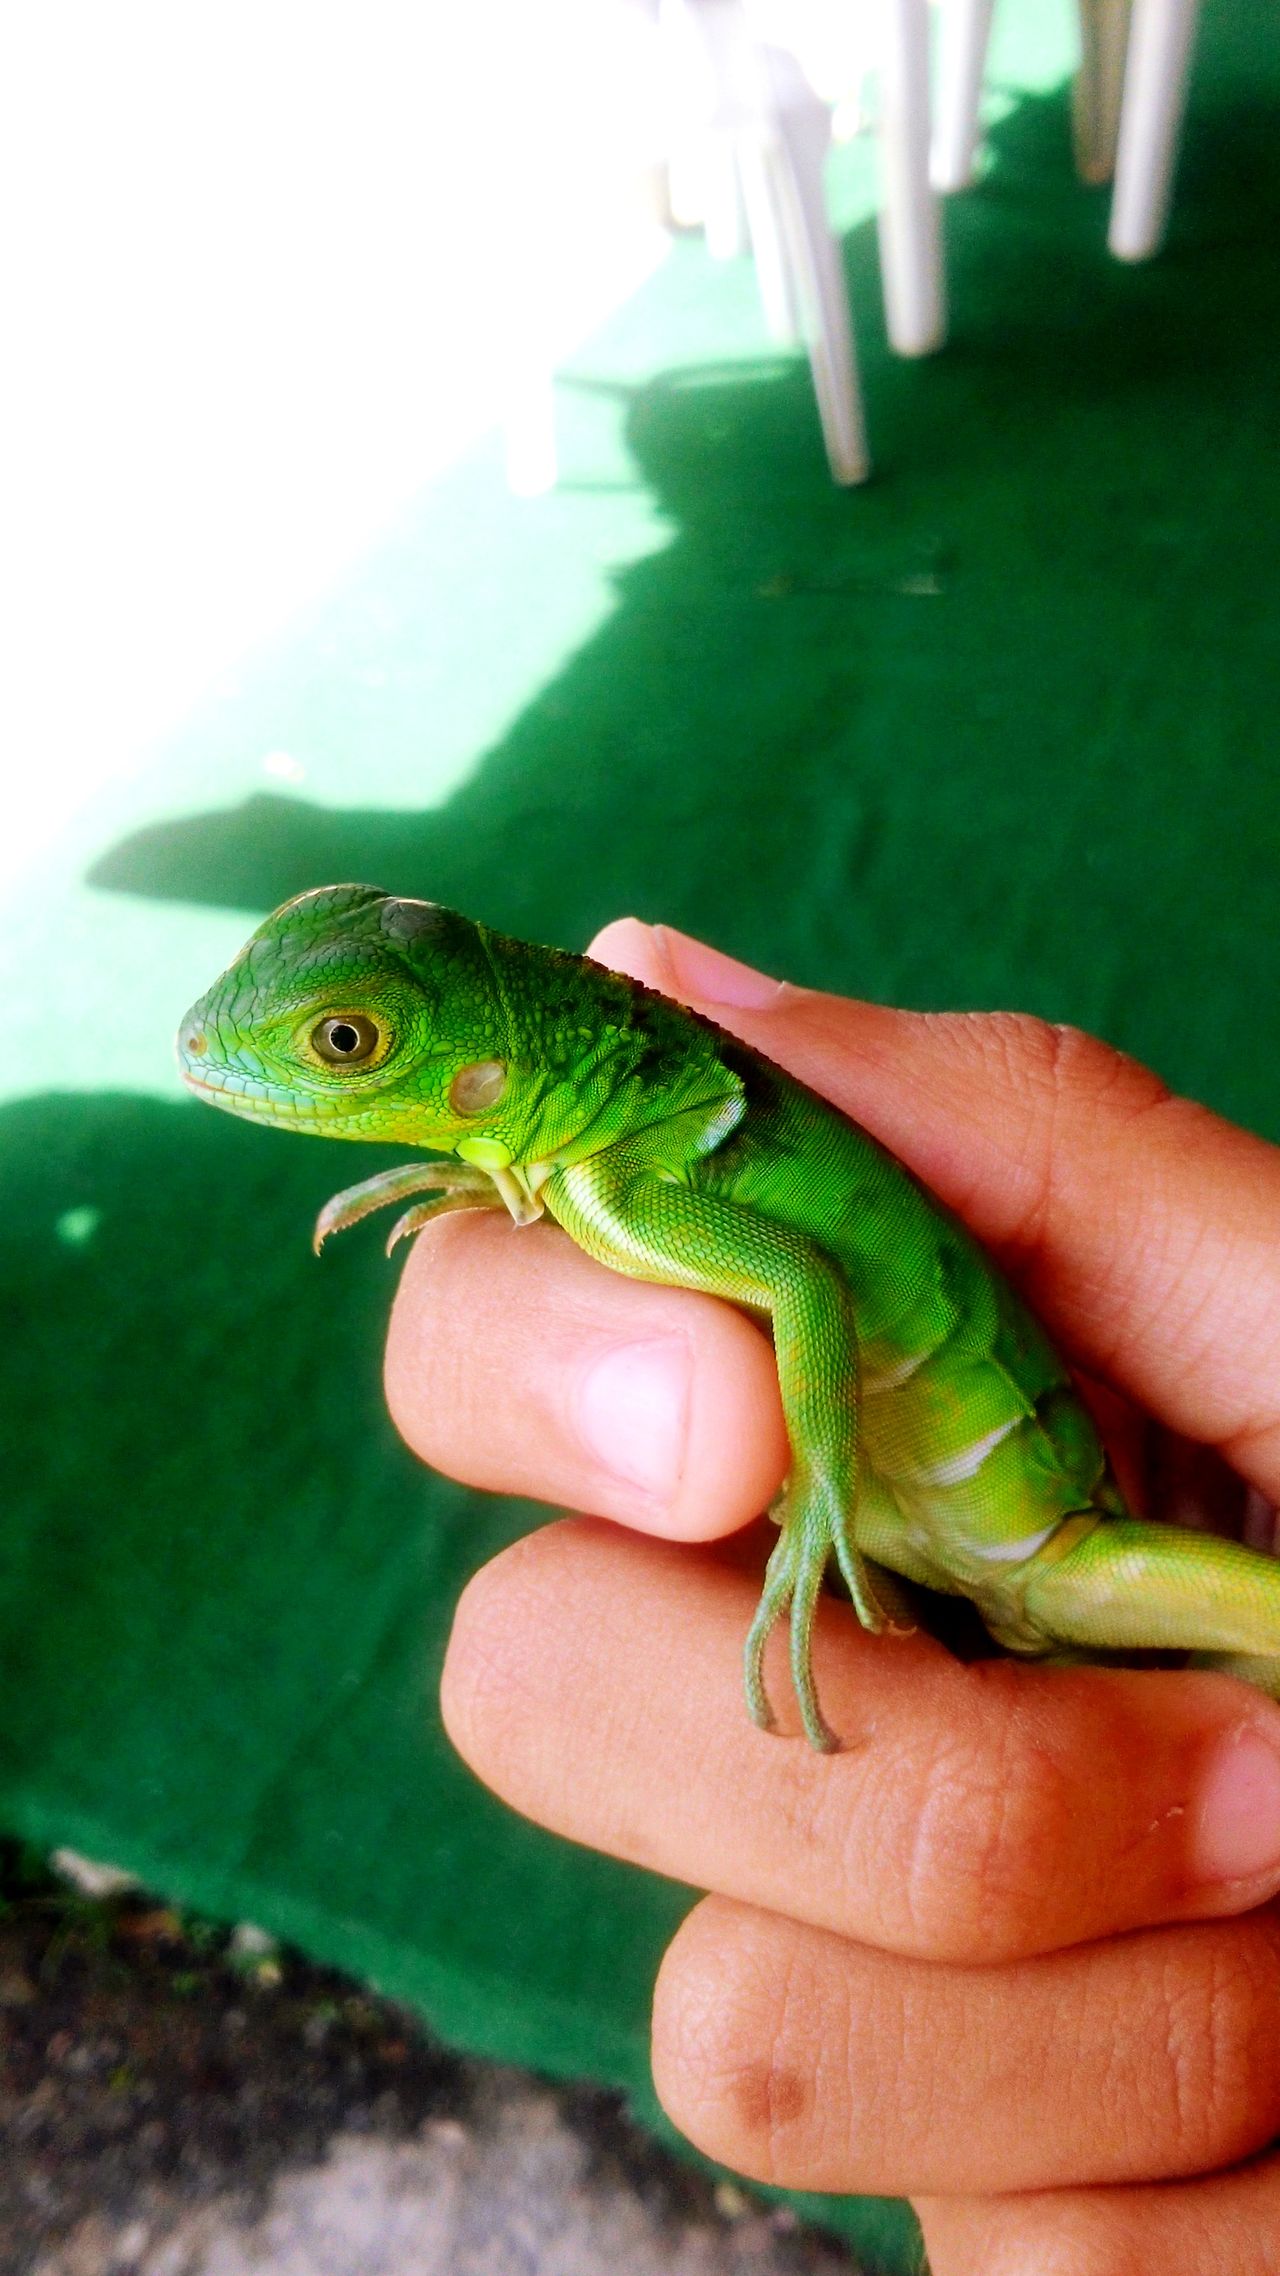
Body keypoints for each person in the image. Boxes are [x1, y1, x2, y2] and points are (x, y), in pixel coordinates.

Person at [384, 918, 1280, 2274]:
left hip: (1067, 1546)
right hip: (938, 1564)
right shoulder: (608, 1182)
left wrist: (807, 1529)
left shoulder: (636, 1191)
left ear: (484, 1079)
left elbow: (799, 1276)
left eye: (351, 1047)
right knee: (956, 1840)